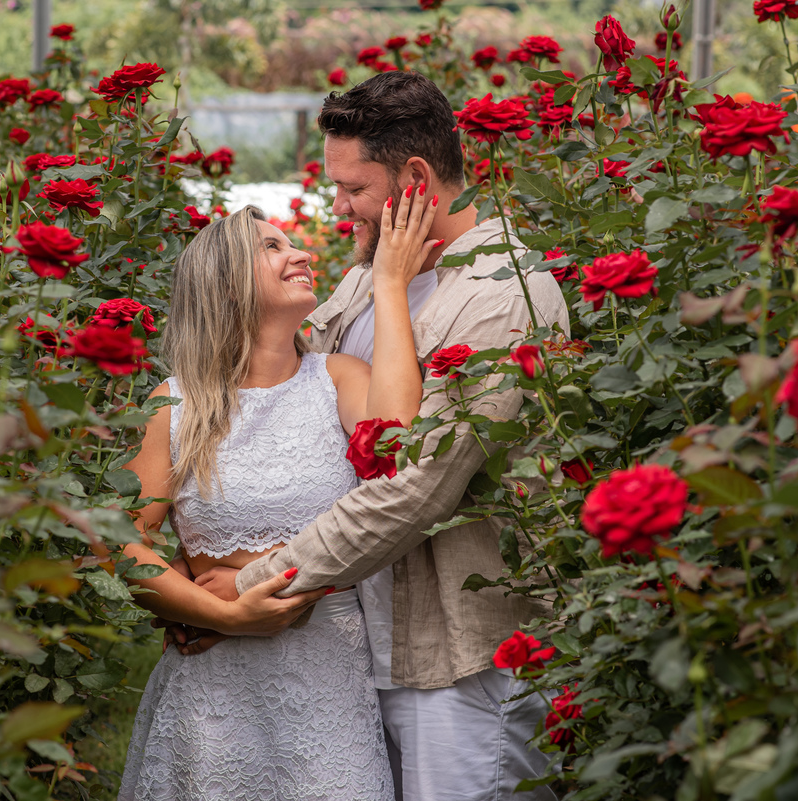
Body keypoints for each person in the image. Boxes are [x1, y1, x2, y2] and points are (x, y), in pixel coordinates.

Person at [186, 71, 571, 801]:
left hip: (460, 662)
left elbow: (415, 487)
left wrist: (251, 584)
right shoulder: (371, 277)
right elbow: (291, 406)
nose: (338, 208)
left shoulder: (499, 296)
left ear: (415, 178)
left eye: (353, 188)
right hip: (358, 650)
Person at [116, 186, 443, 800]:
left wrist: (389, 283)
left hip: (330, 682)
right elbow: (119, 544)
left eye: (292, 244)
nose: (301, 254)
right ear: (225, 283)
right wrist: (224, 615)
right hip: (213, 692)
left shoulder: (338, 379)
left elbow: (399, 443)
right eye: (272, 247)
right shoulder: (177, 403)